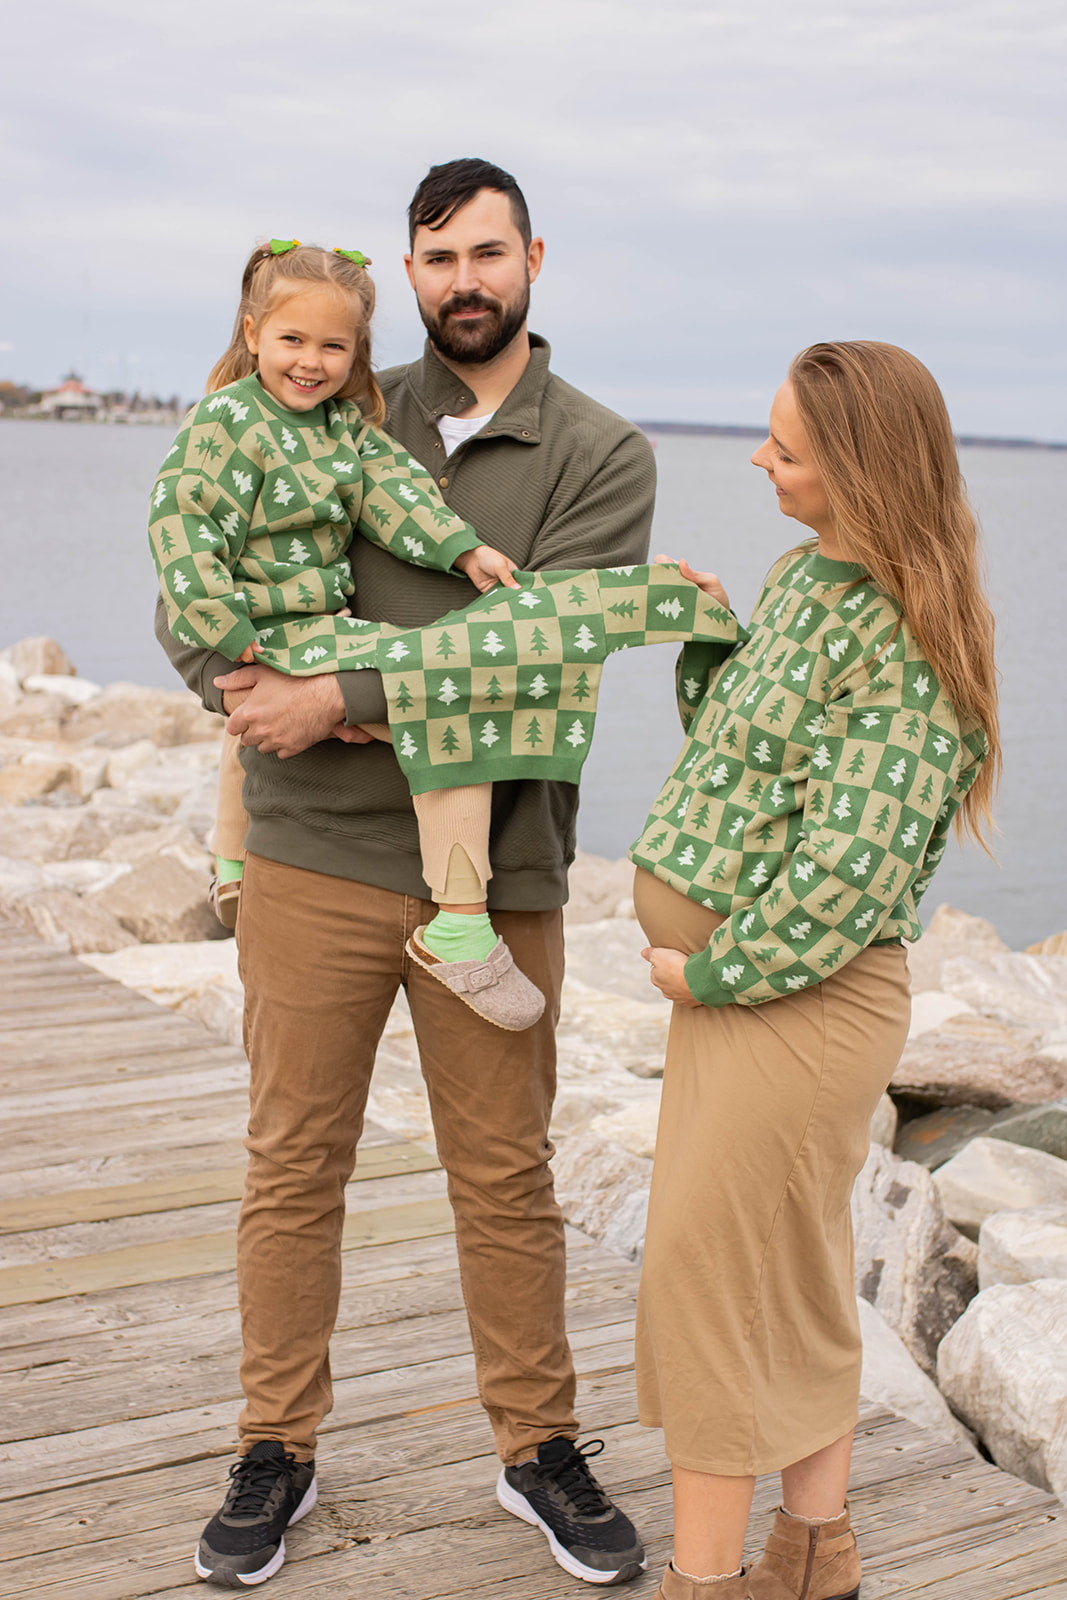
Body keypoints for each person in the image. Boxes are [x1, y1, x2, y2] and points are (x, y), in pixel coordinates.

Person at [155, 158, 658, 1589]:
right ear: (410, 270)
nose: (460, 282)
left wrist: (337, 701)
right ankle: (275, 1448)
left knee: (505, 1174)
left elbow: (542, 653)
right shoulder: (319, 401)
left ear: (532, 260)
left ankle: (535, 1447)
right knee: (290, 1165)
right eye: (435, 259)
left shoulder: (601, 454)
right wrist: (235, 686)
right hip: (312, 852)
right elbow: (194, 574)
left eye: (483, 254)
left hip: (495, 877)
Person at [629, 341, 1000, 1600]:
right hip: (748, 996)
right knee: (778, 1270)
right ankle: (812, 1557)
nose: (758, 458)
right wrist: (705, 643)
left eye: (783, 447)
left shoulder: (903, 641)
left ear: (858, 468)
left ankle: (702, 1581)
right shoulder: (804, 579)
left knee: (705, 1279)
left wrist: (713, 971)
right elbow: (751, 762)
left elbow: (845, 875)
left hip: (794, 1002)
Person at [149, 236, 549, 1030]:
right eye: (292, 340)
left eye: (334, 346)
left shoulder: (344, 430)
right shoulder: (225, 421)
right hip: (275, 627)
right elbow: (182, 522)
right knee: (447, 708)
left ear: (357, 349)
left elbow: (396, 496)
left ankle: (230, 864)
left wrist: (460, 547)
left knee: (250, 717)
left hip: (317, 626)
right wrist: (225, 625)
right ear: (252, 329)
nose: (312, 362)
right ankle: (463, 926)